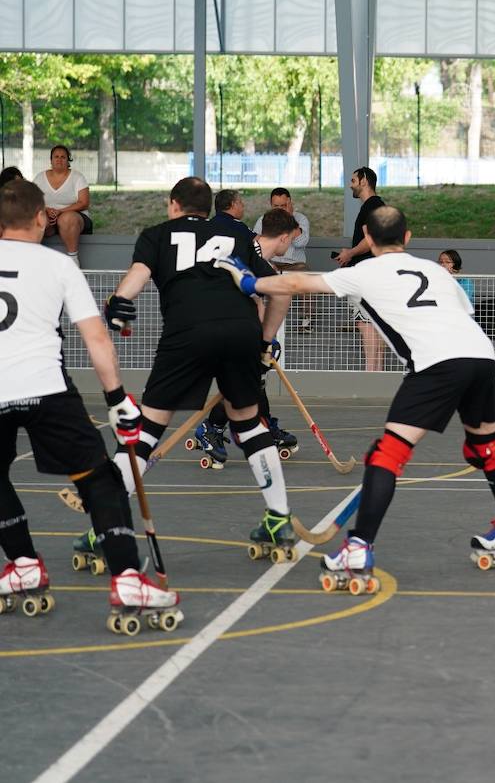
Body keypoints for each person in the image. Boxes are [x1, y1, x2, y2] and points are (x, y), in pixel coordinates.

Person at [220, 205, 495, 586]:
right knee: (486, 448)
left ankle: (357, 548)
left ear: (367, 237)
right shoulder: (436, 270)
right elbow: (458, 315)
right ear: (407, 238)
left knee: (388, 454)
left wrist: (248, 283)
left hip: (437, 362)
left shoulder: (362, 271)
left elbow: (294, 284)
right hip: (481, 357)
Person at [0, 180, 181, 631]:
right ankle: (126, 579)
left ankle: (22, 563)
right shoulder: (59, 264)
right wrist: (117, 398)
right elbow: (96, 336)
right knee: (98, 479)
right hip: (46, 388)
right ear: (43, 218)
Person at [102, 177, 296, 559]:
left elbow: (138, 277)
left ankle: (104, 528)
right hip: (240, 330)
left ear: (173, 204)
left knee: (145, 428)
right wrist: (263, 341)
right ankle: (279, 518)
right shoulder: (236, 235)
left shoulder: (156, 235)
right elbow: (281, 288)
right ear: (208, 208)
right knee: (249, 423)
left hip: (188, 331)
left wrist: (120, 301)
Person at [191, 208, 303, 469]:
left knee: (254, 380)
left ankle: (259, 426)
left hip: (221, 321)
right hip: (217, 323)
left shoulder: (253, 250)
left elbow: (255, 298)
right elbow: (262, 297)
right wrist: (265, 340)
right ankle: (213, 426)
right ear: (284, 238)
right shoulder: (250, 252)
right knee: (246, 380)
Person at [335, 167, 386, 371]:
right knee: (373, 324)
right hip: (373, 272)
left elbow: (372, 238)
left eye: (353, 179)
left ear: (364, 180)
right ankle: (376, 372)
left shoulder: (372, 205)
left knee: (366, 324)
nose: (350, 184)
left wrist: (351, 253)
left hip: (367, 274)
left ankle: (371, 372)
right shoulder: (375, 206)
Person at [253, 187, 313, 333]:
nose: (279, 209)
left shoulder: (301, 219)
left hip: (294, 265)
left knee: (308, 277)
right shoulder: (263, 220)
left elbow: (300, 242)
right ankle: (259, 320)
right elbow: (256, 243)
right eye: (276, 206)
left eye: (283, 206)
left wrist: (290, 219)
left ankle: (306, 321)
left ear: (290, 203)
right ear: (270, 204)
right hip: (271, 263)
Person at [35, 145, 92, 262]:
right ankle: (34, 257)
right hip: (49, 216)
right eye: (56, 157)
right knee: (38, 219)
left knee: (66, 218)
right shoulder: (40, 177)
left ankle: (73, 259)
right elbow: (31, 200)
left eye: (63, 157)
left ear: (68, 160)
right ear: (51, 160)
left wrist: (60, 211)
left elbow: (84, 202)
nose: (59, 159)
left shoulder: (77, 177)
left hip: (74, 217)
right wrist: (46, 209)